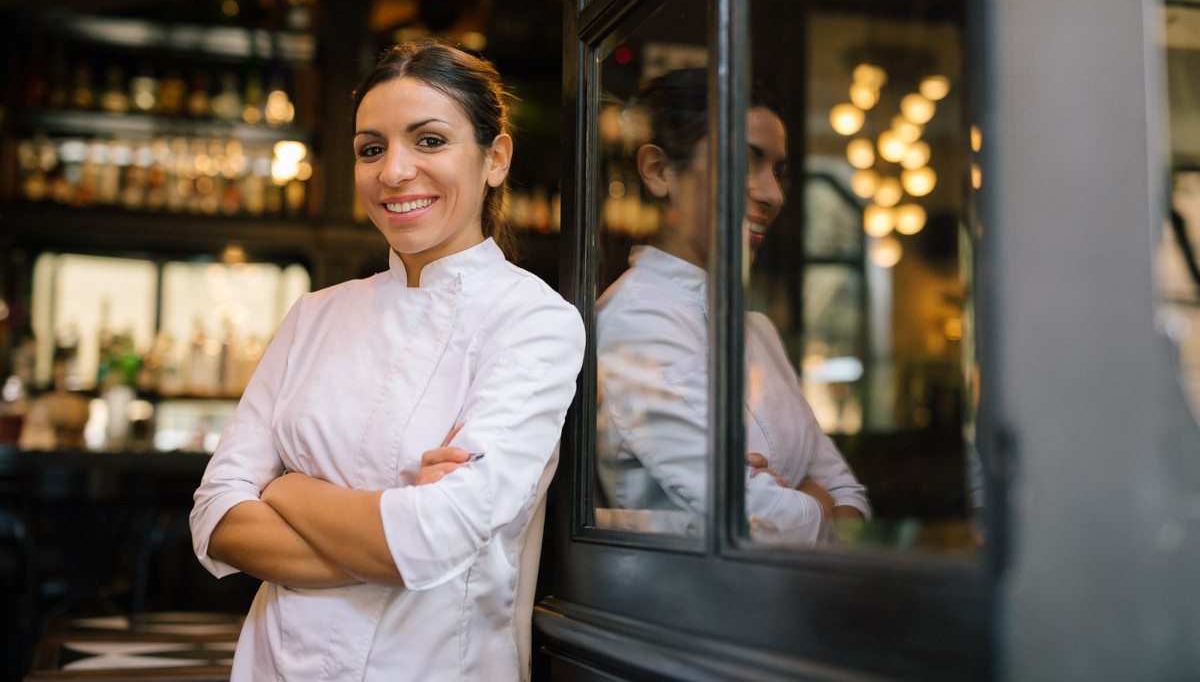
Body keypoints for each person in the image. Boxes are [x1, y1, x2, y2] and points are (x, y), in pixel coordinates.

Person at [190, 39, 585, 681]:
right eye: (371, 148)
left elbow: (434, 536)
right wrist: (387, 535)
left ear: (496, 159)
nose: (394, 171)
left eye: (429, 140)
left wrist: (284, 488)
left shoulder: (534, 321)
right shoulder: (314, 315)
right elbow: (215, 517)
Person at [595, 67, 869, 544]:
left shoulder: (756, 329)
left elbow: (850, 494)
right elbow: (756, 517)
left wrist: (804, 502)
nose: (773, 193)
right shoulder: (636, 318)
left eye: (777, 170)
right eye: (744, 160)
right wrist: (817, 504)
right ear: (659, 171)